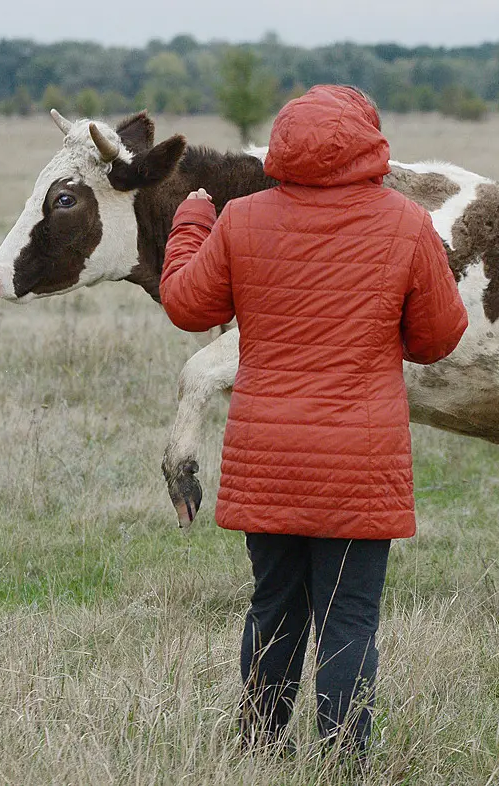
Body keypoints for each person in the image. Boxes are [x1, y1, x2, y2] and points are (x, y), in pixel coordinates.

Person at [158, 85, 468, 757]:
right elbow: (440, 336)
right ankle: (343, 761)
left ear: (281, 145)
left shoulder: (240, 220)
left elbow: (185, 304)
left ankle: (262, 746)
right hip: (358, 461)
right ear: (369, 142)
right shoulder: (406, 224)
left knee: (274, 607)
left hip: (267, 455)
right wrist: (387, 333)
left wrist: (189, 226)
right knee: (348, 618)